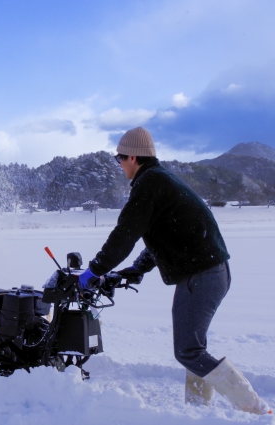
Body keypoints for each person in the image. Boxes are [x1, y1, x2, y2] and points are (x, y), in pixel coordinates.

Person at [78, 127, 271, 415]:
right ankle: (199, 411)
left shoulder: (150, 183)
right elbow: (166, 232)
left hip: (203, 276)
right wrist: (137, 269)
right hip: (211, 272)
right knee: (194, 349)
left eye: (119, 158)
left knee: (187, 351)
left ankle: (253, 407)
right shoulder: (160, 180)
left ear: (133, 157)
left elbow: (125, 235)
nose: (118, 164)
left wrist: (93, 271)